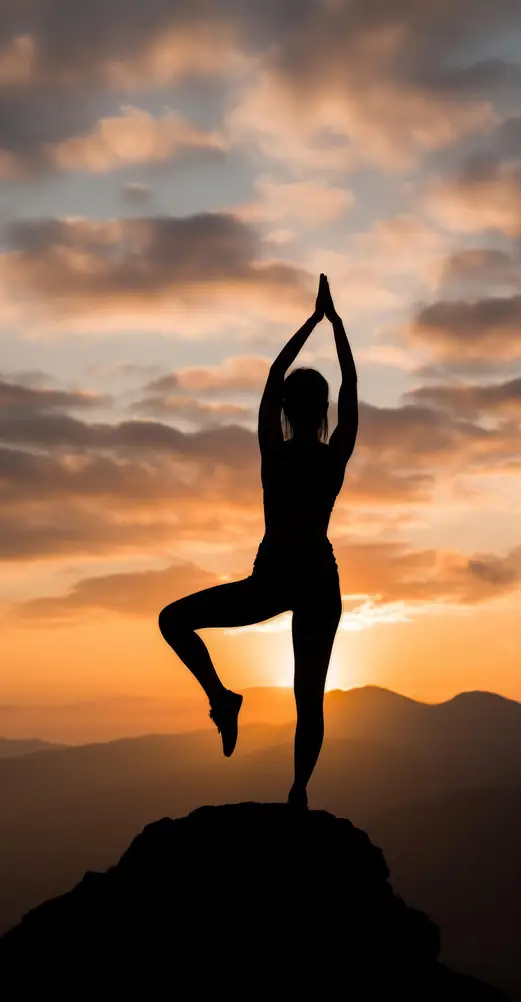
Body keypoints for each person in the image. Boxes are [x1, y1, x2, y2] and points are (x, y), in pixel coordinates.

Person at [159, 274, 358, 807]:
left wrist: (311, 323)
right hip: (316, 575)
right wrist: (336, 327)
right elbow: (351, 387)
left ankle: (222, 698)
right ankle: (298, 792)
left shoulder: (275, 451)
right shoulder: (335, 454)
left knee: (172, 620)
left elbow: (272, 375)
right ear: (324, 413)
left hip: (274, 577)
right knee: (309, 700)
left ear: (289, 411)